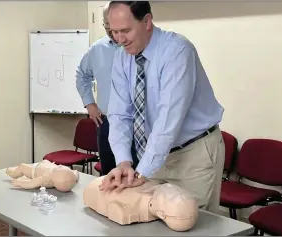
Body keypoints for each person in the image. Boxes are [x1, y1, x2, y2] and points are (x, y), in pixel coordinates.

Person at [99, 1, 225, 213]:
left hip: (192, 154)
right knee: (153, 221)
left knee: (190, 223)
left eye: (125, 31)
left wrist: (142, 172)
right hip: (154, 154)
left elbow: (168, 120)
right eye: (114, 32)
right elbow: (120, 114)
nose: (119, 39)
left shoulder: (177, 51)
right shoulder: (122, 57)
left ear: (147, 21)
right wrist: (123, 162)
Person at [76, 3, 136, 175]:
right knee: (109, 174)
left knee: (137, 176)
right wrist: (89, 104)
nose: (114, 34)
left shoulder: (137, 47)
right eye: (109, 28)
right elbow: (82, 75)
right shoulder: (97, 49)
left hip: (137, 122)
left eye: (118, 29)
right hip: (107, 121)